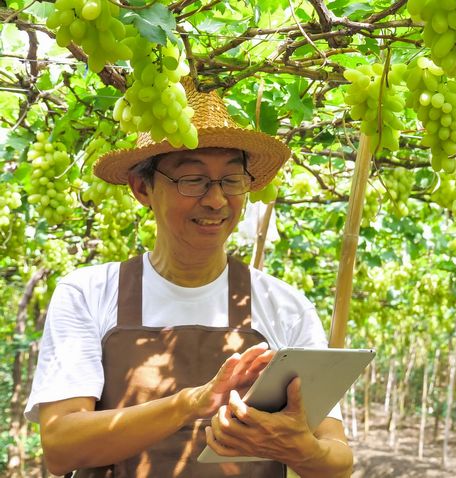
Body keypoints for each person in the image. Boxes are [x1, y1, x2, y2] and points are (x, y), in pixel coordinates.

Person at [24, 80, 354, 477]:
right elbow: (61, 447)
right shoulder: (88, 294)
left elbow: (337, 460)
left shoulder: (285, 306)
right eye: (192, 180)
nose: (215, 200)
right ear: (143, 188)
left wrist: (303, 450)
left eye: (231, 181)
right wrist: (189, 404)